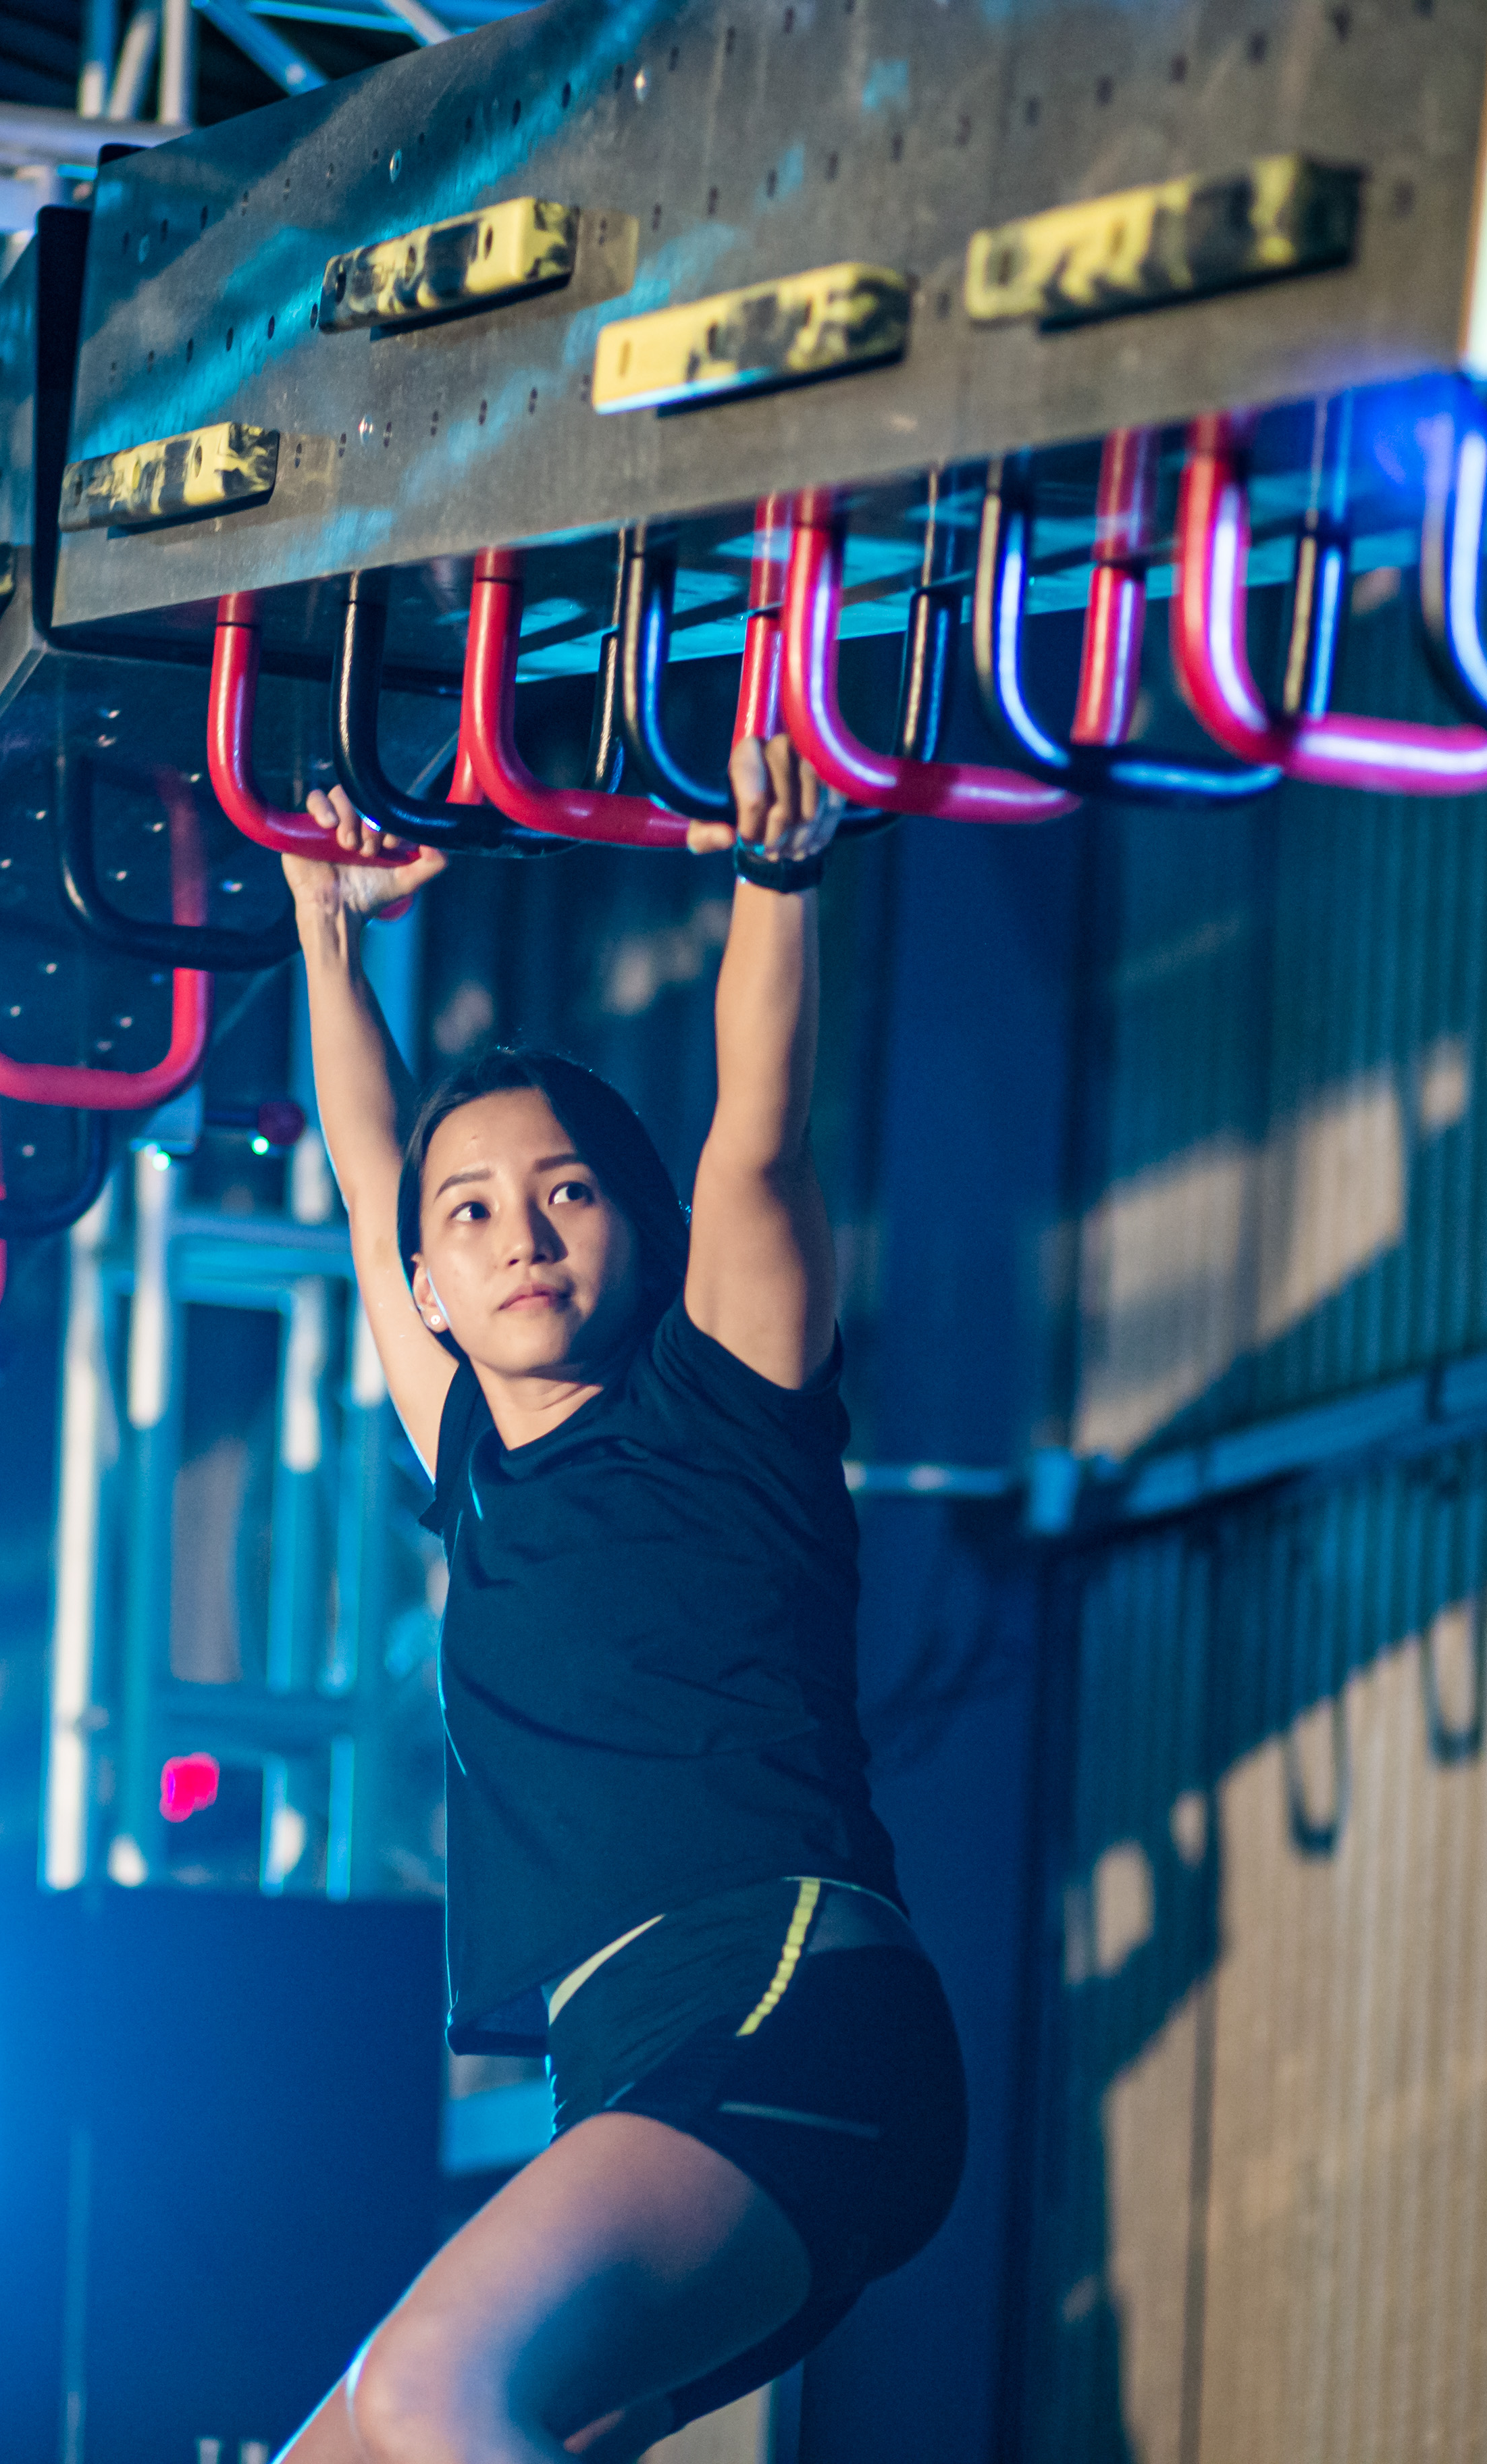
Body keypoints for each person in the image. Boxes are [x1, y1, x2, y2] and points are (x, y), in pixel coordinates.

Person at [272, 740, 964, 2462]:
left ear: (641, 1236)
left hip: (791, 2010)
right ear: (428, 1287)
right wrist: (329, 937)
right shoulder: (473, 1470)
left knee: (436, 2394)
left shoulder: (724, 1405)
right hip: (639, 2076)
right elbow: (368, 1167)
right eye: (475, 1213)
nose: (519, 1235)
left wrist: (775, 886)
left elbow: (757, 1137)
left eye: (566, 1192)